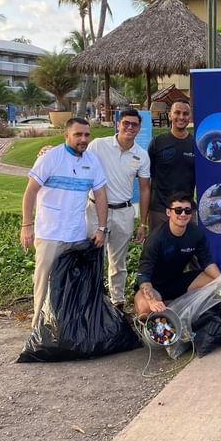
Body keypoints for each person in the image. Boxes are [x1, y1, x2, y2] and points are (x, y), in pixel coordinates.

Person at [20, 117, 109, 327]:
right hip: (49, 234)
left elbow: (101, 196)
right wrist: (26, 225)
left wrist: (101, 228)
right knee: (44, 282)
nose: (83, 139)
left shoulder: (92, 161)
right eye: (78, 134)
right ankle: (39, 328)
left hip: (76, 234)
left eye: (87, 135)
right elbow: (30, 190)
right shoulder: (50, 157)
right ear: (66, 135)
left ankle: (67, 326)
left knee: (72, 282)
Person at [85, 108, 151, 310]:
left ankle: (117, 304)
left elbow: (145, 188)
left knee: (118, 262)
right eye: (126, 123)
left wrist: (142, 223)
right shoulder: (98, 145)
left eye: (134, 124)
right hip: (95, 210)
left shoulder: (141, 155)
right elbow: (76, 157)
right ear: (118, 124)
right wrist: (49, 150)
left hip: (123, 211)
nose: (130, 127)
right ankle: (91, 302)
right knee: (92, 258)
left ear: (139, 128)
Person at [134, 193, 221, 316]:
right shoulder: (156, 238)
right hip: (155, 286)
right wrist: (152, 300)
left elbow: (206, 261)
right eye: (178, 210)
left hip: (178, 281)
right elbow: (143, 274)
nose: (183, 214)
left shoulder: (196, 233)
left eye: (187, 210)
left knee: (216, 281)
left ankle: (181, 306)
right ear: (168, 212)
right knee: (144, 309)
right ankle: (164, 306)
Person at [147, 100, 196, 231]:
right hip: (160, 209)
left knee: (187, 249)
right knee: (159, 249)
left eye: (185, 114)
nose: (181, 117)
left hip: (186, 210)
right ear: (170, 115)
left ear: (190, 117)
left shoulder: (196, 144)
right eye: (177, 113)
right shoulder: (157, 143)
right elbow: (148, 175)